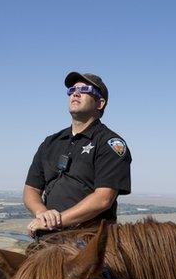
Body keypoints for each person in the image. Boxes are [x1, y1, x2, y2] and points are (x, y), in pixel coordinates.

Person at [23, 72, 132, 237]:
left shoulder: (110, 143)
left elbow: (103, 199)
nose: (75, 93)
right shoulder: (50, 143)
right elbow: (31, 189)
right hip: (48, 237)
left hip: (90, 241)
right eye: (72, 90)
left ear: (100, 103)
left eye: (85, 89)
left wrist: (56, 220)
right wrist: (41, 213)